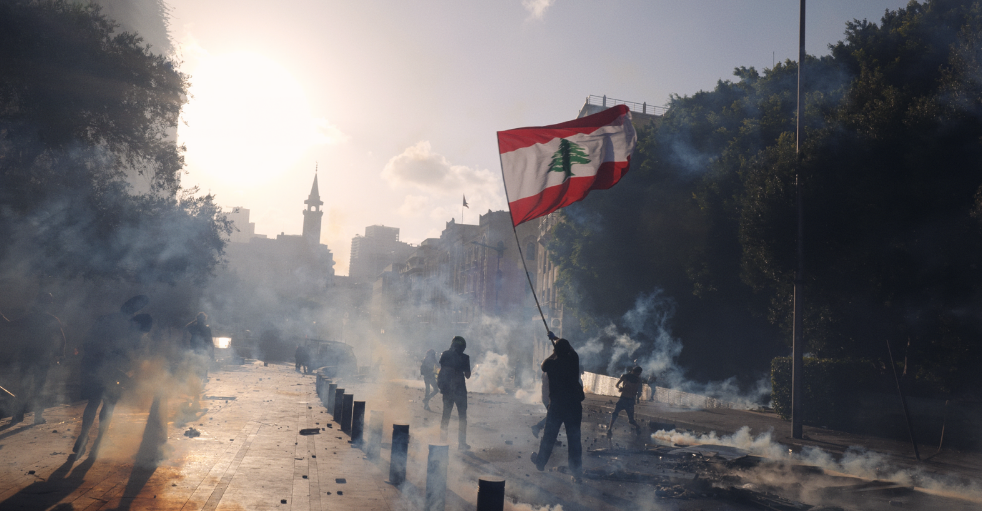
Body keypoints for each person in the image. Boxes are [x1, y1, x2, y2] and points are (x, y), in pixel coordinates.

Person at [73, 295, 151, 461]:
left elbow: (88, 341)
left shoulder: (105, 319)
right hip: (111, 368)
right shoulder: (132, 326)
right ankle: (98, 442)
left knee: (93, 402)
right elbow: (131, 352)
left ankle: (84, 436)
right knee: (108, 404)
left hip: (95, 365)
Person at [531, 333, 584, 483]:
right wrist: (556, 339)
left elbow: (543, 364)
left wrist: (554, 351)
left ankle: (540, 463)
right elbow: (571, 349)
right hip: (573, 405)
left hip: (557, 406)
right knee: (574, 439)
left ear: (556, 352)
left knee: (549, 436)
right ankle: (576, 473)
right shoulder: (574, 360)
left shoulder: (552, 364)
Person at [9, 294, 66, 425]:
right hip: (41, 358)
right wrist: (60, 354)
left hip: (29, 357)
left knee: (24, 387)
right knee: (39, 388)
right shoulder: (51, 319)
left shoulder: (30, 318)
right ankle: (37, 417)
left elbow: (10, 324)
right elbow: (62, 338)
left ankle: (18, 416)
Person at [438, 336, 470, 450]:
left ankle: (442, 441)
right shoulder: (465, 357)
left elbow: (441, 368)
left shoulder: (445, 354)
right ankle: (461, 444)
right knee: (462, 417)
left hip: (447, 390)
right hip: (460, 391)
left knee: (445, 416)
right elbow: (468, 375)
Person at [607, 366, 645, 436]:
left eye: (638, 374)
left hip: (630, 401)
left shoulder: (639, 380)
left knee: (631, 420)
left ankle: (637, 427)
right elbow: (617, 385)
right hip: (623, 399)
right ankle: (609, 429)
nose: (637, 375)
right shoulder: (625, 376)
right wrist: (620, 388)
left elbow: (639, 392)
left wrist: (637, 398)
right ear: (633, 371)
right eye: (637, 374)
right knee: (615, 413)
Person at [530, 368, 549, 438]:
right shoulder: (549, 374)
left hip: (547, 398)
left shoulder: (546, 373)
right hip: (549, 398)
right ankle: (538, 427)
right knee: (552, 417)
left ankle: (550, 437)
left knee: (553, 417)